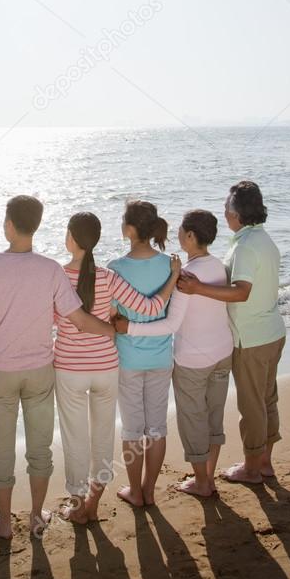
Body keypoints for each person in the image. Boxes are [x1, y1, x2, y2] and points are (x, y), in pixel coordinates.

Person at [0, 195, 115, 540]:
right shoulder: (50, 268)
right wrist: (110, 330)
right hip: (40, 371)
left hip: (0, 371)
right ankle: (36, 516)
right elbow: (77, 318)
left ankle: (4, 523)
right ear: (36, 225)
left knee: (1, 449)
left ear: (8, 225)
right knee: (40, 448)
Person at [54, 211, 180, 523]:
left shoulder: (56, 276)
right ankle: (93, 506)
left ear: (71, 238)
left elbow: (50, 320)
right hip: (106, 367)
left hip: (70, 368)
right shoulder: (110, 277)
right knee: (102, 438)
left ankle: (77, 505)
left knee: (75, 440)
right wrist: (173, 279)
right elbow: (151, 307)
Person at [114, 209, 233, 498]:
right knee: (174, 424)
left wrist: (128, 327)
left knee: (147, 427)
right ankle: (171, 485)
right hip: (190, 355)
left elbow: (166, 322)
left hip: (152, 359)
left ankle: (150, 490)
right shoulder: (194, 266)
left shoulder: (119, 268)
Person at [178, 181, 286, 485]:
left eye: (227, 208)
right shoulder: (263, 240)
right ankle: (264, 462)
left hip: (252, 339)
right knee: (267, 400)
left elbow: (241, 292)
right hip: (272, 332)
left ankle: (251, 468)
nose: (224, 213)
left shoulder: (246, 246)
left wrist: (198, 287)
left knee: (252, 405)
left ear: (236, 214)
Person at [108, 200, 181, 507]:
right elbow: (173, 313)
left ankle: (135, 491)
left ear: (128, 230)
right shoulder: (170, 265)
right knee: (157, 427)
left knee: (132, 429)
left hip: (128, 359)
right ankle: (150, 490)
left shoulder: (115, 269)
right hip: (162, 357)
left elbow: (112, 317)